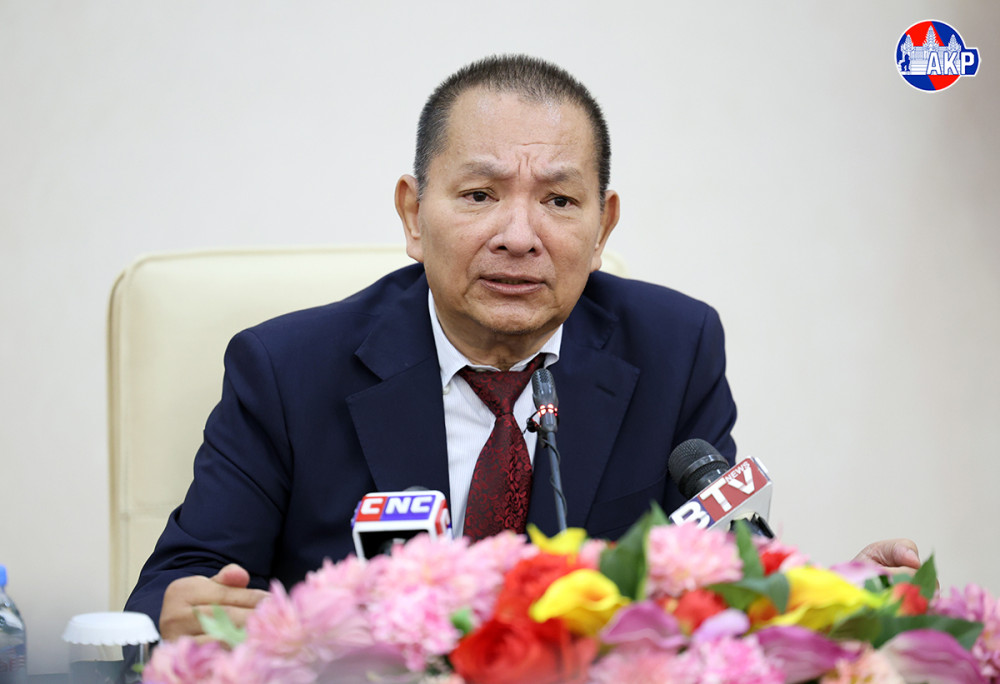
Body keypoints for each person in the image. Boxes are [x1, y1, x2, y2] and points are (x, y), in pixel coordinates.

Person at [125, 54, 920, 641]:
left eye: (559, 201)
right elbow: (169, 593)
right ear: (412, 214)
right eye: (479, 194)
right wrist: (188, 613)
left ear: (603, 226)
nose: (518, 236)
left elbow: (720, 588)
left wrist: (838, 604)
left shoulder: (675, 351)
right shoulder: (285, 371)